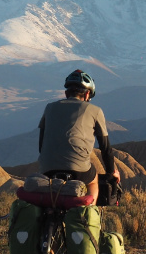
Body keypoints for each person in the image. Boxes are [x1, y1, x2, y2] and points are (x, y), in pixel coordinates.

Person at [38, 69, 119, 202]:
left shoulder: (49, 107)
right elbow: (106, 149)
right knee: (93, 181)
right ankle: (89, 212)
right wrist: (112, 173)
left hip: (47, 168)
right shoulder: (95, 110)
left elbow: (41, 145)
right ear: (87, 94)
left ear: (66, 93)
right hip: (79, 169)